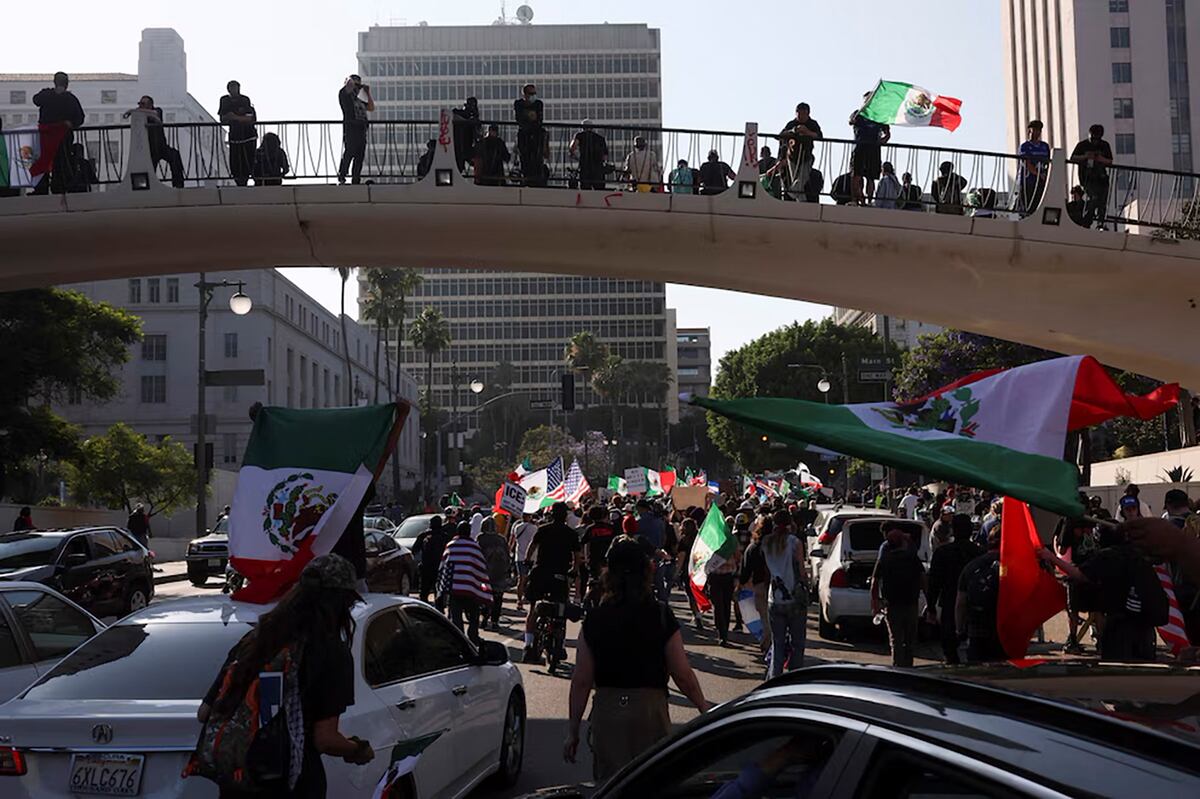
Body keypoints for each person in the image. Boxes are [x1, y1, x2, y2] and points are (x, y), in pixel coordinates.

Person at [193, 554, 373, 797]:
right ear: (341, 602)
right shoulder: (330, 651)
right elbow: (325, 739)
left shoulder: (255, 640)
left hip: (237, 781)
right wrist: (356, 749)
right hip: (291, 783)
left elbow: (204, 713)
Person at [564, 537, 710, 782]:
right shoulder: (661, 614)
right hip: (650, 711)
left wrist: (573, 731)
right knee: (651, 782)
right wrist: (703, 706)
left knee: (611, 784)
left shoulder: (595, 619)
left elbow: (581, 680)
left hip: (608, 710)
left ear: (608, 574)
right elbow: (682, 673)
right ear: (646, 572)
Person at [523, 502, 581, 662]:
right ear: (565, 516)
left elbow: (531, 547)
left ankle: (528, 645)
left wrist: (527, 561)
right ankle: (560, 644)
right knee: (561, 610)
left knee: (533, 608)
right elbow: (577, 556)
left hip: (540, 573)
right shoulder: (571, 533)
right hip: (560, 576)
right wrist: (574, 570)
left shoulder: (543, 529)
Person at [870, 522, 927, 667]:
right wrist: (929, 602)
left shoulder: (884, 559)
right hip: (911, 603)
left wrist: (875, 604)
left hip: (892, 605)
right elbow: (923, 579)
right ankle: (909, 669)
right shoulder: (912, 558)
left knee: (896, 640)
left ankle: (897, 670)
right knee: (910, 641)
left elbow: (874, 582)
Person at [926, 514, 980, 664]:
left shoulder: (942, 553)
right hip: (975, 607)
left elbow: (934, 583)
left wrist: (931, 608)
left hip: (949, 604)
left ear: (952, 531)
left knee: (950, 650)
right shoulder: (979, 553)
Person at [761, 509, 809, 677]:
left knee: (778, 643)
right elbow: (801, 571)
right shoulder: (795, 543)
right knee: (797, 643)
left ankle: (775, 677)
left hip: (774, 598)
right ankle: (794, 678)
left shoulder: (766, 542)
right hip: (794, 598)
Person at [956, 527, 1006, 663]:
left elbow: (961, 602)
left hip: (977, 627)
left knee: (977, 672)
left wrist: (960, 629)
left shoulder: (971, 566)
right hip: (1005, 631)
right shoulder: (1012, 567)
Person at [30, 72, 85, 195]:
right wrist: (69, 123)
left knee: (42, 162)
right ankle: (58, 188)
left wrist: (48, 92)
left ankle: (41, 189)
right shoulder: (71, 99)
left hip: (45, 136)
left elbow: (36, 99)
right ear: (67, 84)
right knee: (61, 163)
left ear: (54, 82)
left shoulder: (47, 95)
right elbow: (79, 118)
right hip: (63, 138)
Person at [439, 521, 492, 645]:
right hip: (470, 588)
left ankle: (459, 639)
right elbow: (481, 566)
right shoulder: (474, 546)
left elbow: (443, 566)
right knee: (474, 614)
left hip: (453, 588)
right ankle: (473, 636)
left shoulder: (451, 545)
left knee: (456, 616)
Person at [1054, 516, 1098, 654]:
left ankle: (1073, 640)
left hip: (1076, 571)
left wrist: (1055, 546)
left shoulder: (1069, 521)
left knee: (1073, 609)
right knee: (1096, 608)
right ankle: (1102, 641)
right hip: (1094, 570)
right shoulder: (1094, 520)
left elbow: (1062, 550)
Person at [125, 95, 185, 188]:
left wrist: (133, 111)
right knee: (149, 169)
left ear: (150, 105)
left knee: (175, 156)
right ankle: (148, 188)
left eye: (143, 104)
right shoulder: (140, 114)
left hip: (161, 146)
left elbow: (155, 114)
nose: (140, 106)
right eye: (140, 104)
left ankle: (178, 185)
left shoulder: (157, 110)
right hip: (150, 149)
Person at [738, 514, 773, 652]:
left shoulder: (754, 547)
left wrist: (741, 584)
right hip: (779, 585)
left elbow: (746, 568)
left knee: (764, 616)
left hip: (760, 585)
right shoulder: (780, 545)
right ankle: (772, 642)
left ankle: (767, 642)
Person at [1070, 124, 1114, 230]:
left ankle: (1100, 223)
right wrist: (1086, 156)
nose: (1094, 141)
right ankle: (1086, 221)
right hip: (1087, 178)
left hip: (1101, 177)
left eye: (1096, 139)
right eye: (1092, 138)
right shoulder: (1082, 145)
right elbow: (1073, 158)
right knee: (1093, 198)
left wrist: (1099, 158)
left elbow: (1110, 161)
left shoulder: (1104, 145)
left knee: (1102, 202)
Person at [849, 95, 890, 204]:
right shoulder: (858, 114)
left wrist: (882, 140)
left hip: (873, 150)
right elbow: (851, 121)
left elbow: (887, 134)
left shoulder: (879, 117)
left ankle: (868, 201)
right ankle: (856, 199)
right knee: (856, 175)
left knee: (871, 177)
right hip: (859, 148)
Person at [707, 517, 742, 647]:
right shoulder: (728, 540)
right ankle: (722, 633)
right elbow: (738, 557)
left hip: (722, 577)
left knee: (722, 606)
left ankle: (723, 633)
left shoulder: (716, 540)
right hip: (721, 577)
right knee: (723, 606)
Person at [779, 102, 823, 200]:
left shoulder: (812, 124)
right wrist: (793, 131)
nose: (801, 116)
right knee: (796, 181)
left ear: (808, 113)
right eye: (799, 113)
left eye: (803, 113)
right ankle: (802, 202)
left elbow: (820, 136)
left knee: (801, 179)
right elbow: (780, 135)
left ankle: (791, 193)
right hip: (792, 157)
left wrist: (807, 132)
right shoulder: (792, 124)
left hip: (806, 157)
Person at [218, 81, 257, 187]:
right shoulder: (225, 100)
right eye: (232, 88)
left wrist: (234, 117)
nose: (234, 90)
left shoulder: (244, 100)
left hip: (248, 136)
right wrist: (238, 118)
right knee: (235, 161)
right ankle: (239, 181)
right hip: (235, 137)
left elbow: (249, 118)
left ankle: (247, 179)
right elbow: (223, 119)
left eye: (235, 88)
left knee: (248, 160)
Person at [337, 75, 374, 185]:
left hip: (361, 129)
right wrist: (351, 81)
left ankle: (356, 179)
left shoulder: (359, 100)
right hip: (351, 129)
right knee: (349, 152)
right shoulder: (345, 95)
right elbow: (348, 84)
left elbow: (371, 107)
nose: (357, 88)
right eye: (355, 84)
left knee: (359, 156)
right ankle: (342, 175)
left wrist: (367, 93)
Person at [477, 517, 510, 631]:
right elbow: (507, 556)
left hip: (485, 573)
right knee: (498, 598)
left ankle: (485, 619)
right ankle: (494, 621)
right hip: (499, 573)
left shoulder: (481, 539)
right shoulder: (502, 539)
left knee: (484, 598)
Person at [579, 505, 617, 598]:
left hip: (594, 560)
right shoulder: (611, 528)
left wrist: (583, 557)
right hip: (608, 560)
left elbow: (582, 542)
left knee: (594, 581)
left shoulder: (590, 529)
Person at [514, 83, 546, 187]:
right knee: (524, 156)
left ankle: (537, 179)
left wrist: (528, 117)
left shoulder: (538, 104)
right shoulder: (519, 103)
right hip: (524, 134)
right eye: (531, 93)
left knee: (537, 157)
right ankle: (526, 178)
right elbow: (520, 119)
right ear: (525, 94)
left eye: (534, 93)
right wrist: (530, 117)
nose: (533, 95)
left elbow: (538, 119)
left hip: (536, 134)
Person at [1017, 119, 1050, 215]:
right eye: (1034, 130)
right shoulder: (1025, 146)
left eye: (1038, 130)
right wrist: (1038, 174)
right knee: (1028, 207)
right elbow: (1027, 163)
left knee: (1039, 205)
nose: (1036, 133)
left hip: (1041, 181)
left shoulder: (1044, 146)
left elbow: (1048, 161)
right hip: (1028, 181)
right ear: (1029, 131)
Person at [414, 515, 449, 604]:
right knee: (439, 592)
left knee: (424, 592)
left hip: (426, 567)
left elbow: (415, 550)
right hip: (440, 568)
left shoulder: (423, 535)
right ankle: (440, 610)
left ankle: (423, 610)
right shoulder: (445, 536)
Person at [509, 511, 538, 611]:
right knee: (530, 579)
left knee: (520, 579)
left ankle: (519, 600)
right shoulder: (534, 528)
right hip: (532, 557)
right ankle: (527, 597)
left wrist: (509, 551)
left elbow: (512, 541)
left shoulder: (517, 527)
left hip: (519, 556)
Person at [570, 120, 608, 190]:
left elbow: (572, 148)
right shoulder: (600, 138)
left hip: (585, 167)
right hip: (598, 169)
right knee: (600, 192)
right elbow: (605, 157)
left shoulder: (580, 135)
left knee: (585, 191)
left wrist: (577, 157)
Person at [451, 96, 481, 174]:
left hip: (466, 146)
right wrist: (468, 121)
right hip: (458, 145)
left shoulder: (473, 118)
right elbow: (453, 115)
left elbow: (477, 134)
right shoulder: (458, 113)